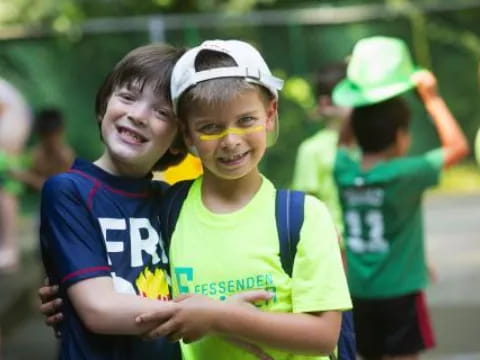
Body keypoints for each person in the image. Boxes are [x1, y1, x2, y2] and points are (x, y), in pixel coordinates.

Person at [37, 43, 273, 360]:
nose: (138, 116)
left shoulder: (174, 200)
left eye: (162, 112)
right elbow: (99, 308)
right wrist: (215, 317)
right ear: (104, 103)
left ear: (181, 140)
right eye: (128, 97)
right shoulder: (68, 191)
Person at [134, 39, 352, 360]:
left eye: (246, 120)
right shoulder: (166, 211)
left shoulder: (304, 216)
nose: (231, 141)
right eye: (210, 127)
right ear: (187, 133)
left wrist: (220, 317)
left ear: (270, 114)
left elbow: (322, 335)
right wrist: (67, 290)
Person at [332, 36, 469, 360]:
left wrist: (358, 97)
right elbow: (458, 147)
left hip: (359, 292)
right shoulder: (405, 174)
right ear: (399, 136)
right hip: (400, 294)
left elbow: (342, 142)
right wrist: (431, 97)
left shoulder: (343, 169)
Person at [291, 62, 353, 231]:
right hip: (335, 244)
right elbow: (305, 207)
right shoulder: (311, 150)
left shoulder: (370, 141)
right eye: (349, 93)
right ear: (325, 103)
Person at [0, 78, 31, 273]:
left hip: (9, 132)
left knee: (6, 191)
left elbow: (3, 106)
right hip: (12, 129)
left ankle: (9, 249)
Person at [11, 108, 74, 191]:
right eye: (43, 136)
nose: (47, 141)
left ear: (60, 132)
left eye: (50, 136)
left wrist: (28, 178)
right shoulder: (36, 153)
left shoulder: (65, 157)